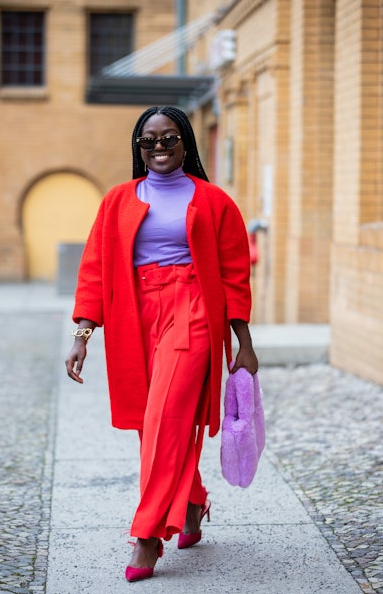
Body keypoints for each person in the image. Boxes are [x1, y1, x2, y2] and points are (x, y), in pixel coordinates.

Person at [65, 105, 258, 582]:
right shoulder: (117, 201)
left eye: (169, 139)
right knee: (152, 424)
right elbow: (95, 268)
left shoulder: (214, 201)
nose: (158, 148)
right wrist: (83, 335)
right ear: (138, 147)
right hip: (135, 313)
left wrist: (244, 343)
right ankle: (193, 501)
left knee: (165, 414)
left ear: (185, 142)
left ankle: (148, 534)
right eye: (148, 141)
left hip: (192, 309)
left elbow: (235, 275)